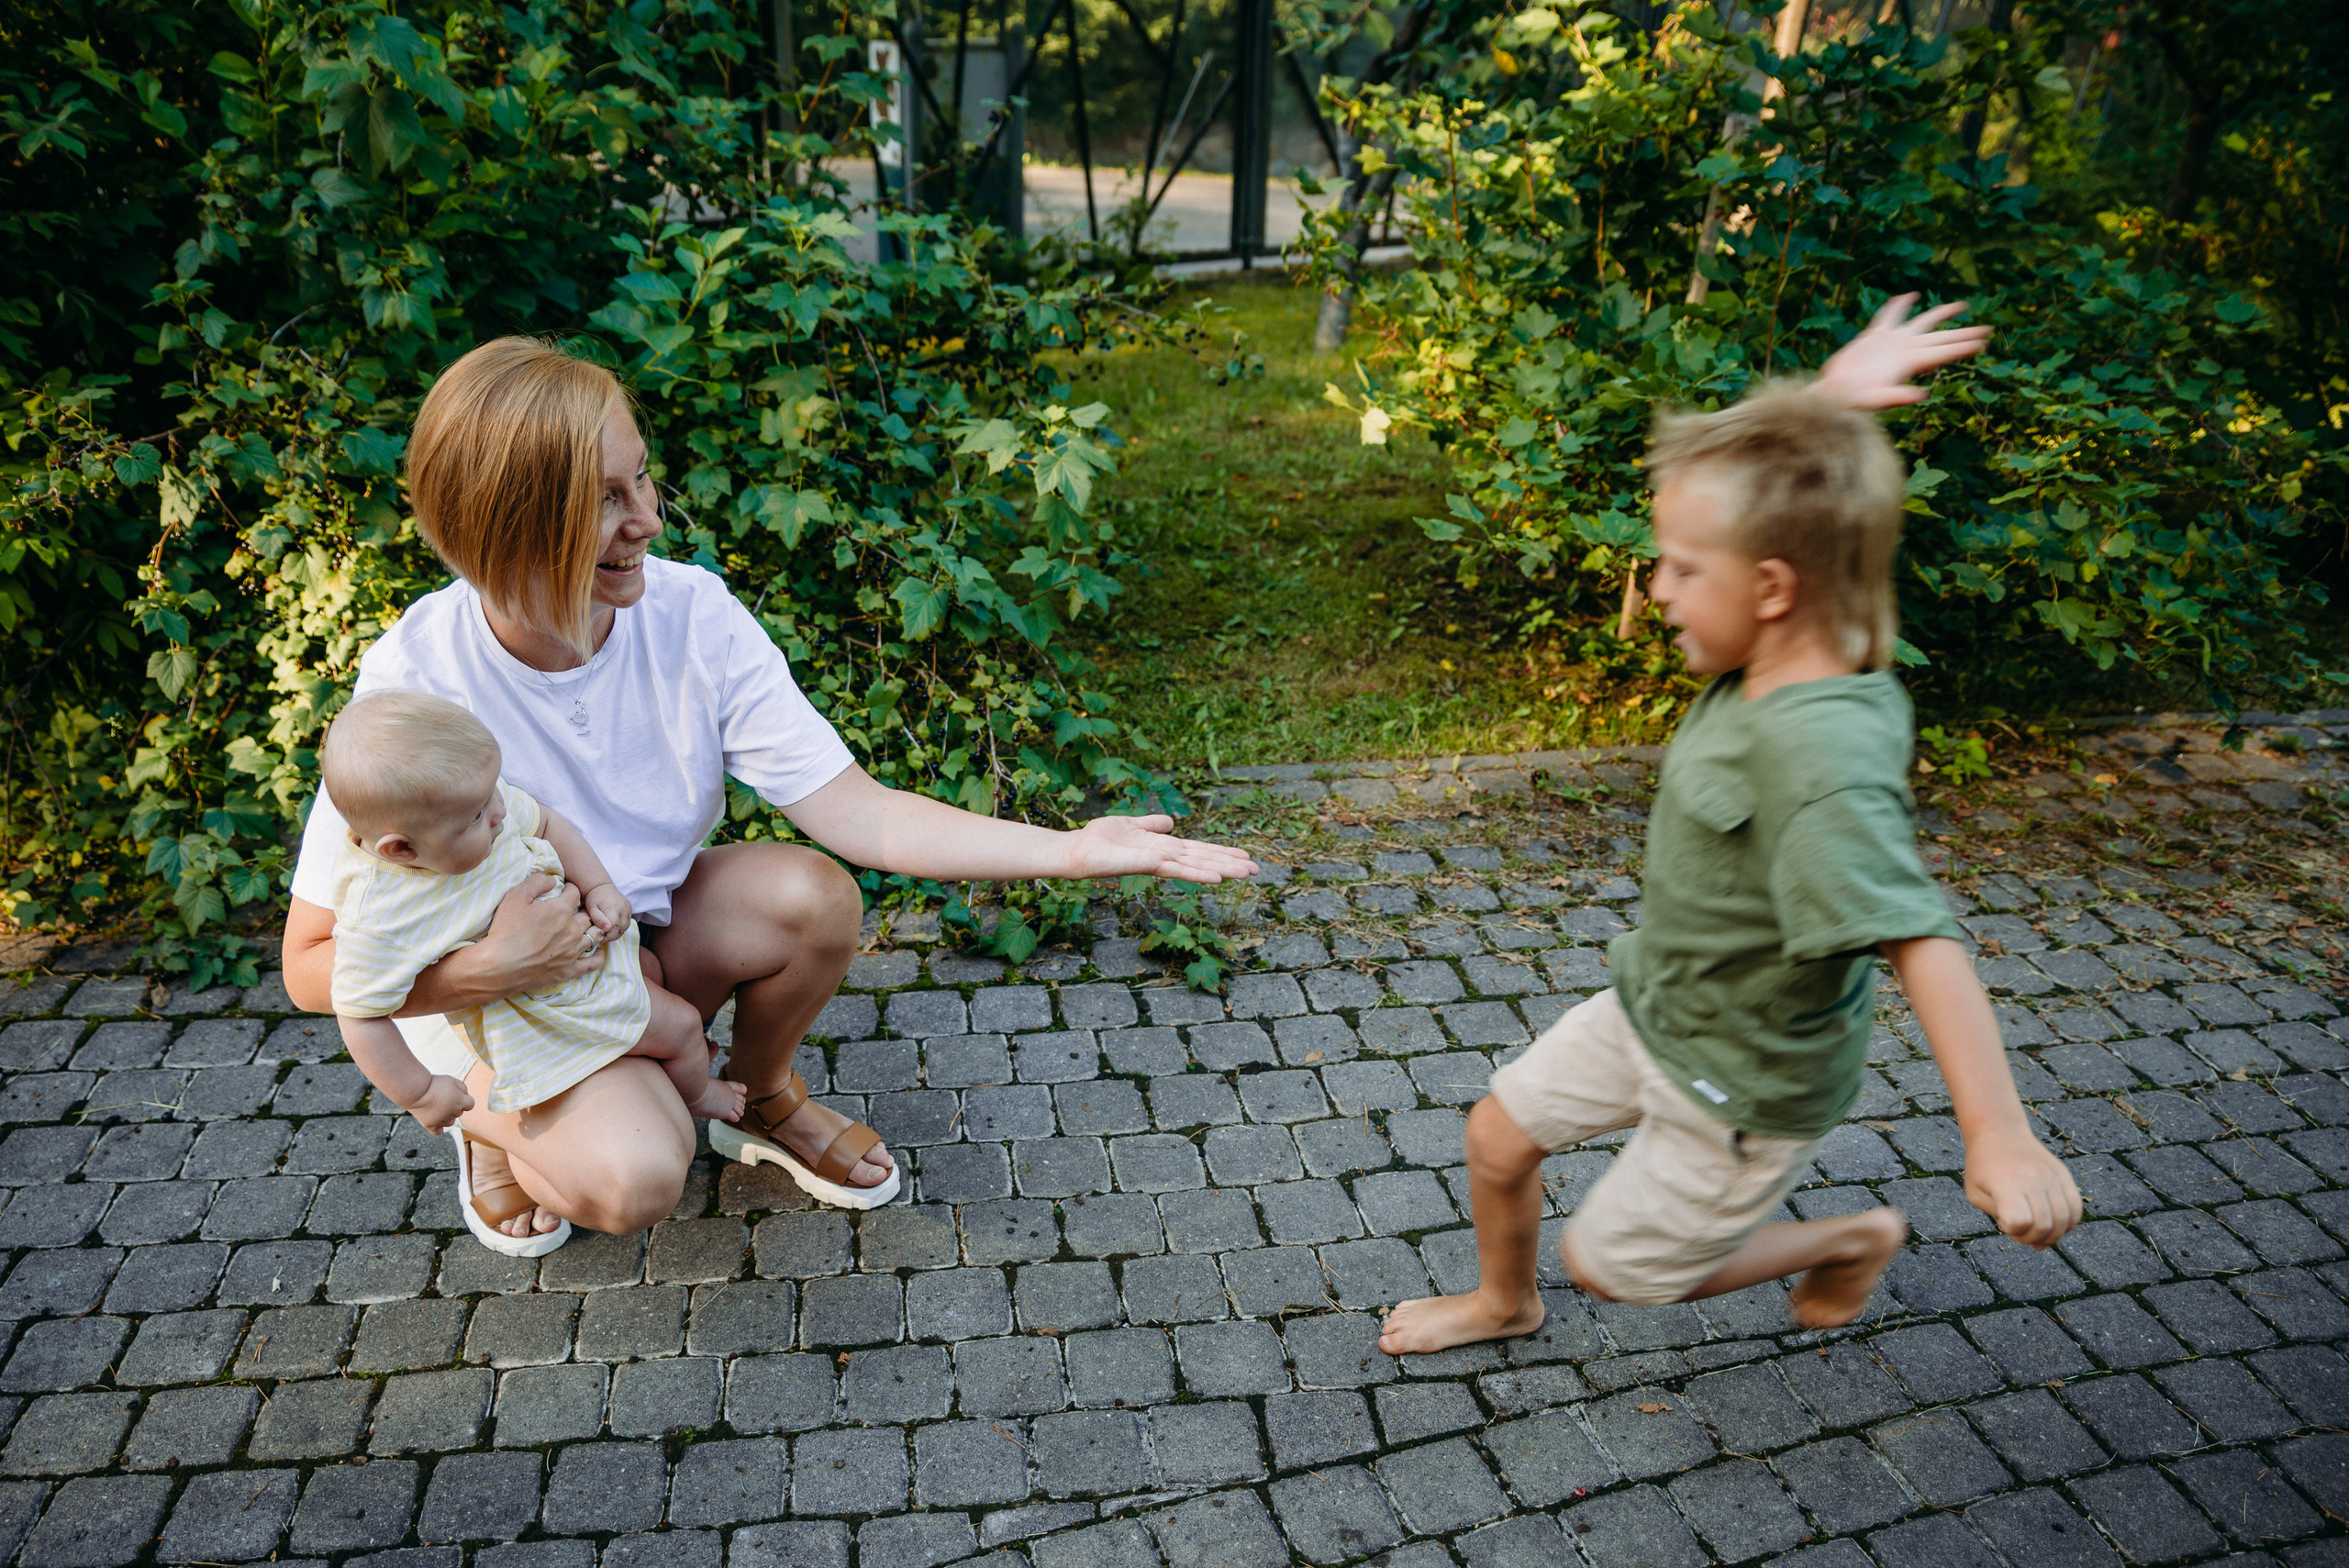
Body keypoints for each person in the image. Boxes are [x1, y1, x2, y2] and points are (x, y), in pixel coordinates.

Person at [280, 336, 1255, 1252]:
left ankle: (762, 1098)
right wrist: (493, 971)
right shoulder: (416, 683)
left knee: (810, 894)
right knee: (635, 1175)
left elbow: (856, 810)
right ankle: (489, 1121)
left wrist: (1072, 850)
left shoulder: (690, 613)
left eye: (643, 476)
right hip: (508, 1003)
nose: (649, 519)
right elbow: (309, 965)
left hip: (630, 942)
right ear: (515, 522)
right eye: (606, 499)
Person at [1378, 298, 2082, 1352]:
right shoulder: (1777, 646)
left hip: (1743, 1075)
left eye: (1678, 568)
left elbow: (1918, 935)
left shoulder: (1818, 757)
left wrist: (1998, 1130)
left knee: (1611, 1266)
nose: (1656, 587)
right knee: (1496, 1133)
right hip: (1660, 1000)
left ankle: (1849, 1238)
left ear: (1769, 586)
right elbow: (1804, 504)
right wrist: (1827, 405)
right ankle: (1501, 1302)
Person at [320, 691, 756, 1250]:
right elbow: (359, 1014)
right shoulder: (378, 913)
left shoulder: (475, 810)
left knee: (669, 999)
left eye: (493, 794)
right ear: (401, 849)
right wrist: (422, 1091)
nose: (501, 813)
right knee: (679, 1030)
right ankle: (680, 1100)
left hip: (591, 970)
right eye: (479, 815)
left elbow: (548, 822)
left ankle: (665, 1094)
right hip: (535, 1023)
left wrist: (598, 886)